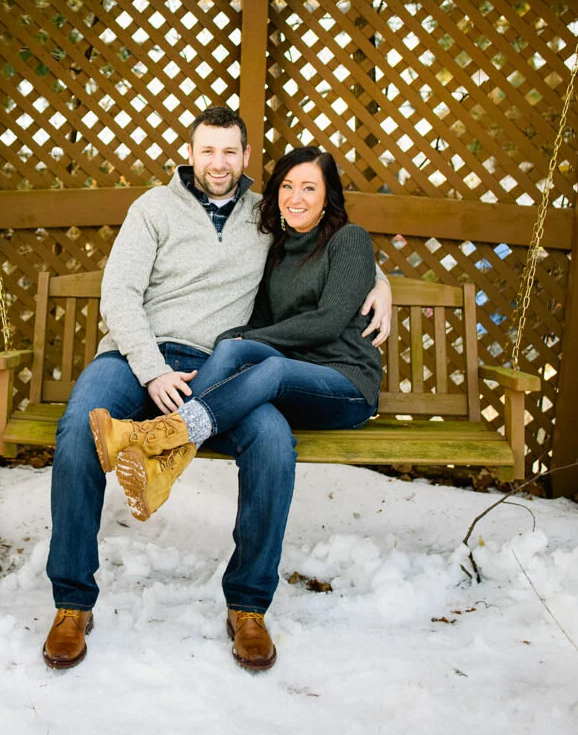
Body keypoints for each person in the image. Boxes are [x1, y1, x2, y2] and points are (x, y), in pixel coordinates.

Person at [42, 108, 392, 673]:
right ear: (191, 153)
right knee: (82, 430)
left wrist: (381, 282)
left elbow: (327, 244)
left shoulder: (265, 213)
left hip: (226, 371)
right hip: (139, 357)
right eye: (208, 150)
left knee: (273, 443)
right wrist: (152, 369)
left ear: (246, 156)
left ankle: (248, 606)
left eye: (230, 151)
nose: (219, 163)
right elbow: (119, 295)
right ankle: (72, 603)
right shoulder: (152, 209)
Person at [98, 145, 382, 525]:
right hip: (292, 376)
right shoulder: (277, 251)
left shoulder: (350, 239)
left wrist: (383, 284)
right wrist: (232, 340)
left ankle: (158, 439)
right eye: (287, 186)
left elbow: (328, 321)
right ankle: (166, 459)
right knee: (234, 350)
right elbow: (258, 324)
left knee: (272, 367)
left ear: (328, 195)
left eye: (309, 188)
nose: (296, 198)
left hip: (346, 384)